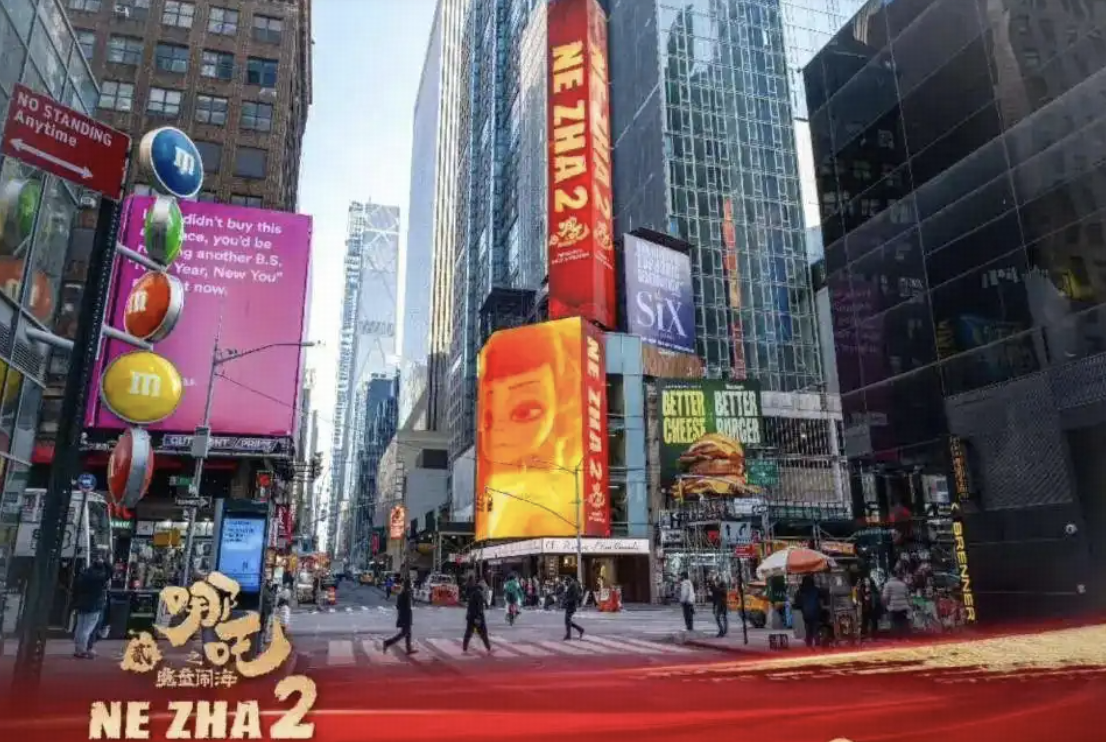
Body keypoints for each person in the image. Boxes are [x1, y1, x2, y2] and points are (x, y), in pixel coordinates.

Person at [72, 558, 111, 659]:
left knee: (80, 627)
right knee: (87, 629)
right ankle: (83, 650)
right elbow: (110, 571)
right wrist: (105, 562)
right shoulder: (100, 578)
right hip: (94, 605)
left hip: (82, 603)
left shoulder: (84, 575)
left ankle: (78, 649)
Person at [383, 579, 416, 654]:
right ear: (409, 585)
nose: (412, 586)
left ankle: (409, 649)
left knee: (408, 633)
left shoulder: (402, 593)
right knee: (404, 633)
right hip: (406, 616)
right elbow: (408, 606)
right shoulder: (407, 593)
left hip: (402, 615)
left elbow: (398, 606)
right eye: (411, 584)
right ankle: (387, 643)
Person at [462, 576, 492, 653]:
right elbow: (480, 607)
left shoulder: (471, 592)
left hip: (470, 615)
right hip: (477, 616)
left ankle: (464, 648)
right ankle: (488, 647)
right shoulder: (478, 593)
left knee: (468, 632)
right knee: (483, 633)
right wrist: (479, 617)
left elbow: (470, 605)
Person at [796, 575, 824, 648]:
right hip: (815, 612)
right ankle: (817, 642)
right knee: (816, 627)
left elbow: (797, 603)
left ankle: (809, 643)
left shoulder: (800, 591)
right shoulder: (816, 590)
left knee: (808, 628)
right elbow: (823, 596)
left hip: (806, 614)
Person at [882, 570, 912, 637]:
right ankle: (904, 638)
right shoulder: (903, 584)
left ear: (890, 575)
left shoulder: (887, 584)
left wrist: (886, 606)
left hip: (893, 607)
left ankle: (896, 638)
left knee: (894, 624)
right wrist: (909, 605)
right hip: (904, 607)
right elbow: (908, 596)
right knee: (903, 623)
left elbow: (885, 597)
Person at [562, 576, 585, 640]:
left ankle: (569, 635)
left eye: (565, 581)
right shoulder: (571, 586)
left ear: (568, 581)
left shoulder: (573, 586)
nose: (565, 583)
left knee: (567, 620)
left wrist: (567, 601)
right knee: (567, 621)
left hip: (571, 606)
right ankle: (580, 630)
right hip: (570, 605)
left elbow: (575, 596)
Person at [710, 573, 729, 638]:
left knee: (723, 617)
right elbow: (714, 598)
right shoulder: (715, 587)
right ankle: (721, 630)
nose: (716, 582)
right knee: (718, 617)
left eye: (717, 580)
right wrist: (713, 608)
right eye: (716, 581)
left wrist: (716, 588)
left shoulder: (723, 584)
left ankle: (724, 630)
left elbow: (724, 592)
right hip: (718, 603)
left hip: (723, 603)